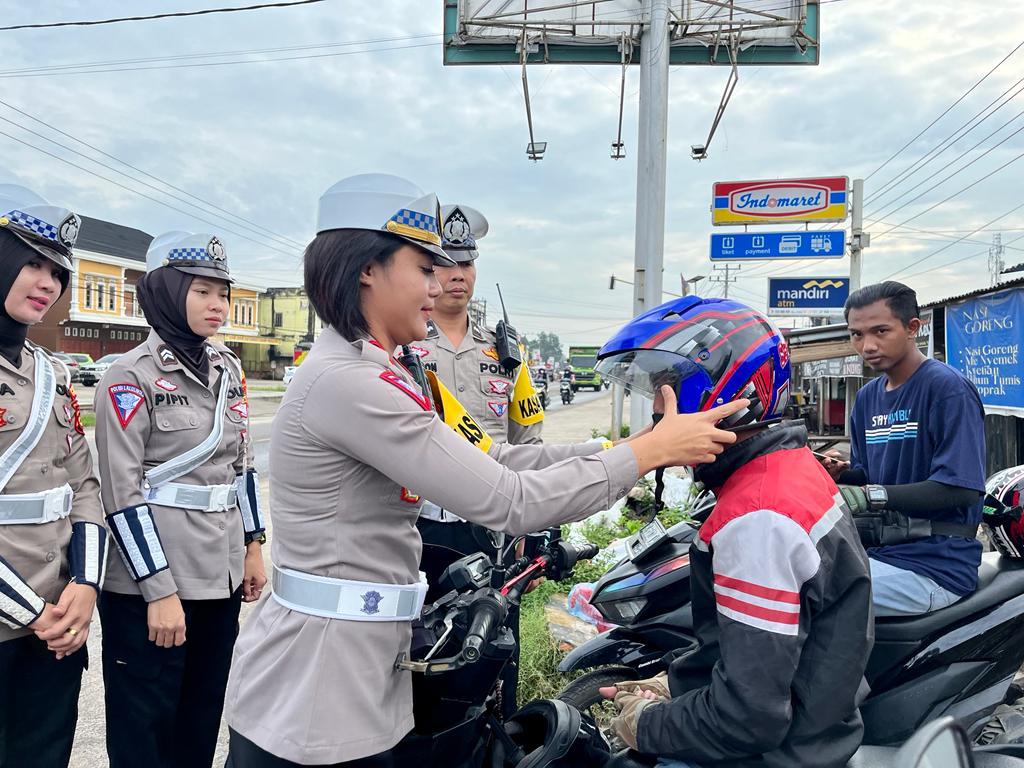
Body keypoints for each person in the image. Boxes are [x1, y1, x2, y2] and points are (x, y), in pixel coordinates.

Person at [222, 173, 747, 767]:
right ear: (367, 269)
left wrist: (633, 445)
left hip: (356, 663)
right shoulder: (352, 384)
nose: (439, 284)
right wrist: (647, 455)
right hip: (318, 686)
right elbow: (511, 500)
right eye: (423, 268)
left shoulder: (376, 371)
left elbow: (499, 458)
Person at [595, 296, 873, 768]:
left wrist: (643, 723)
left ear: (721, 396)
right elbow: (759, 656)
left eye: (668, 393)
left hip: (774, 754)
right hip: (815, 727)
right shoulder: (786, 465)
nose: (658, 418)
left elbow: (748, 718)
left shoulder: (758, 519)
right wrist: (673, 686)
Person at [96, 231, 267, 767]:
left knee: (199, 724)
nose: (218, 305)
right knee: (145, 733)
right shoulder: (129, 377)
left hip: (219, 579)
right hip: (153, 587)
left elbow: (242, 466)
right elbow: (120, 492)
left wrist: (253, 545)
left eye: (223, 292)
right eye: (202, 292)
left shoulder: (228, 371)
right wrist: (158, 592)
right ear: (167, 291)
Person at [413, 203, 543, 716]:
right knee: (422, 641)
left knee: (494, 640)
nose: (456, 276)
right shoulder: (405, 345)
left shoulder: (506, 353)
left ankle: (493, 733)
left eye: (466, 264)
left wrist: (529, 521)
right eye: (444, 263)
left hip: (489, 525)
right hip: (421, 524)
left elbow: (527, 439)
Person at [0, 185, 105, 768]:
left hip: (57, 615)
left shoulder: (48, 370)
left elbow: (82, 489)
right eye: (32, 263)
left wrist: (84, 587)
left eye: (57, 271)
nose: (48, 283)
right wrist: (34, 614)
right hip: (25, 617)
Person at [821, 281, 985, 616]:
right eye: (856, 334)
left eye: (880, 331)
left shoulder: (946, 389)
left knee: (800, 594)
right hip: (878, 552)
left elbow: (961, 488)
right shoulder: (867, 398)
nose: (867, 345)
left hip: (935, 565)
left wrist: (871, 495)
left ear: (913, 327)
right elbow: (869, 474)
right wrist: (844, 475)